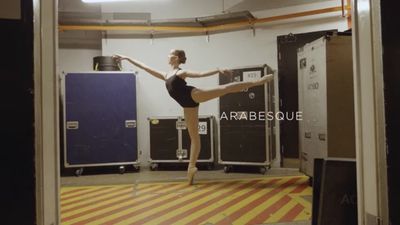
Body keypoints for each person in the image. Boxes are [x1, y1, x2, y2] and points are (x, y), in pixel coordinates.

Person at [113, 49, 273, 185]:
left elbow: (201, 73)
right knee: (194, 138)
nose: (168, 56)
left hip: (194, 95)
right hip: (187, 106)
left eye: (171, 54)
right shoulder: (165, 74)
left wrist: (218, 69)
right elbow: (145, 67)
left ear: (176, 58)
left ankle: (258, 82)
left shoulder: (181, 72)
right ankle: (191, 168)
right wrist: (127, 58)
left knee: (224, 88)